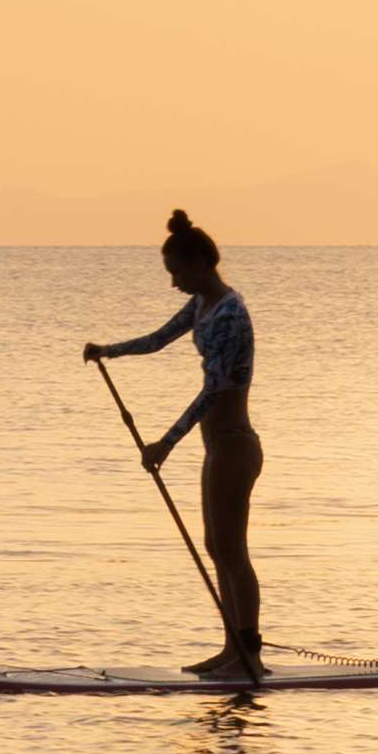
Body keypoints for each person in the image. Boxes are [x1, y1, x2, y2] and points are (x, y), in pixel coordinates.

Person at [80, 209, 260, 680]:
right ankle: (230, 650)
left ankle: (250, 653)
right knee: (214, 545)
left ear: (201, 263)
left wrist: (165, 443)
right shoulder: (202, 305)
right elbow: (160, 339)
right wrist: (108, 351)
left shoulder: (229, 314)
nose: (174, 282)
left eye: (178, 272)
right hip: (217, 447)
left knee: (232, 548)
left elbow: (213, 391)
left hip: (236, 444)